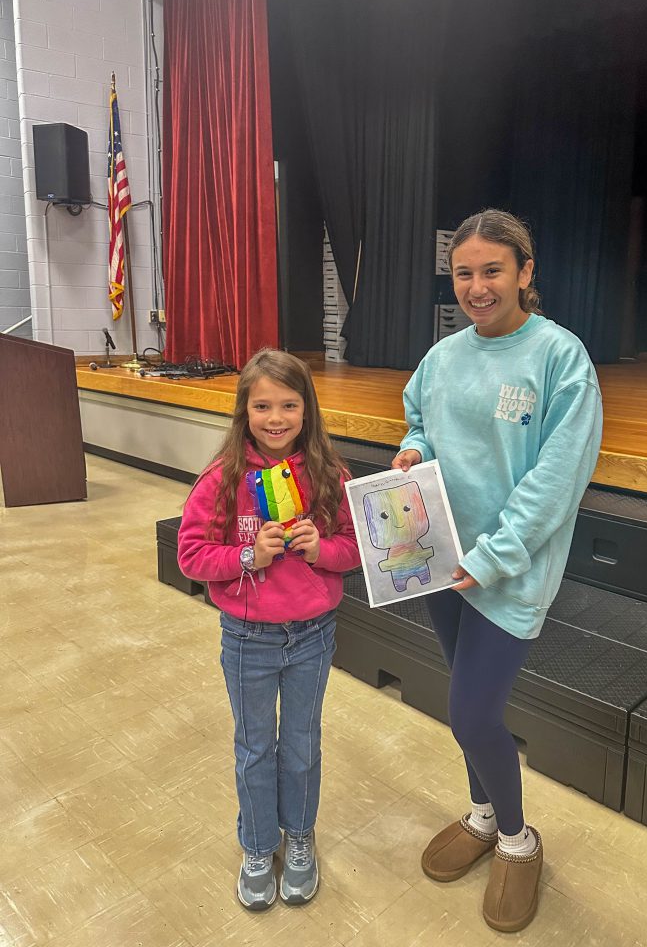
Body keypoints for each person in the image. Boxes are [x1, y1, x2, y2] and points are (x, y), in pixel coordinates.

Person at [392, 209, 603, 933]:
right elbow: (417, 415)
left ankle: (518, 839)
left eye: (492, 271)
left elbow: (557, 478)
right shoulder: (443, 356)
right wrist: (413, 451)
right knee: (466, 705)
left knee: (472, 713)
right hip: (444, 562)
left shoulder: (560, 358)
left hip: (508, 571)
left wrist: (494, 558)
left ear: (525, 272)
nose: (478, 287)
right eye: (464, 273)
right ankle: (482, 816)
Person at [178, 349, 360, 911]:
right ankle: (258, 846)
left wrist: (322, 549)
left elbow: (355, 549)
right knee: (255, 746)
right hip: (247, 639)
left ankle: (299, 836)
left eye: (288, 404)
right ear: (244, 410)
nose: (275, 418)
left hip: (312, 634)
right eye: (262, 406)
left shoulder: (330, 475)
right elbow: (191, 555)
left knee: (302, 746)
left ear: (307, 410)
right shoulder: (222, 479)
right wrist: (245, 557)